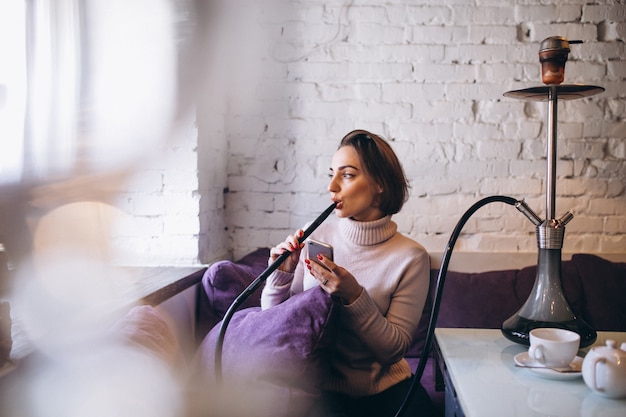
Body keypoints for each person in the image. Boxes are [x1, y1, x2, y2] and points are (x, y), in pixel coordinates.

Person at [260, 130, 434, 417]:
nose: (332, 186)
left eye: (348, 175)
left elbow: (394, 351)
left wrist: (354, 297)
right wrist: (280, 276)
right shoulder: (316, 235)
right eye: (332, 174)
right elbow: (274, 326)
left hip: (388, 391)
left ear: (380, 183)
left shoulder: (411, 257)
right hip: (320, 391)